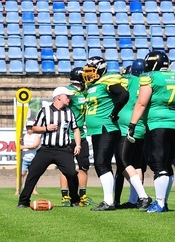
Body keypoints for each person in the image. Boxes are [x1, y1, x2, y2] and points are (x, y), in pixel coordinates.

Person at [127, 50, 175, 213]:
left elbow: (141, 103)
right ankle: (163, 202)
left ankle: (160, 203)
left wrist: (132, 124)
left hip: (158, 124)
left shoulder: (150, 77)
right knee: (167, 164)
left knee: (159, 164)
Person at [16, 86, 81, 208]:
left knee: (72, 173)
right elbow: (34, 128)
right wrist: (46, 128)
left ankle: (74, 199)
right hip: (46, 149)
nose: (69, 99)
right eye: (67, 97)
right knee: (33, 173)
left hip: (64, 149)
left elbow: (76, 129)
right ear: (58, 97)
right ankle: (23, 201)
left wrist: (78, 145)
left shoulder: (69, 112)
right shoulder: (44, 111)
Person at [82, 55, 129, 211]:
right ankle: (109, 200)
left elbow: (124, 95)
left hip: (106, 128)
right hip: (98, 130)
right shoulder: (93, 86)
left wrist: (115, 112)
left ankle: (109, 201)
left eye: (91, 70)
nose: (88, 74)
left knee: (102, 163)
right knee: (101, 164)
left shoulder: (108, 82)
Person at [115, 59, 152, 209]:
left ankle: (142, 196)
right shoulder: (149, 82)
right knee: (137, 164)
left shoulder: (127, 80)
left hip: (126, 125)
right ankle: (133, 200)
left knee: (122, 162)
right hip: (141, 126)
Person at [61, 66, 93, 206]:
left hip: (82, 134)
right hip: (68, 135)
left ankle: (82, 196)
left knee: (83, 166)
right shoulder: (69, 93)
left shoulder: (84, 92)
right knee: (65, 167)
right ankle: (65, 196)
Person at [17, 120, 41, 195]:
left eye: (30, 127)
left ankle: (34, 190)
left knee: (33, 174)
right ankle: (18, 190)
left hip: (33, 158)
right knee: (21, 174)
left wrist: (24, 147)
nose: (29, 129)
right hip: (24, 158)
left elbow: (35, 146)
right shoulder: (23, 136)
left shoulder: (36, 136)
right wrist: (19, 142)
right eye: (28, 127)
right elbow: (18, 145)